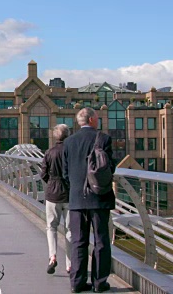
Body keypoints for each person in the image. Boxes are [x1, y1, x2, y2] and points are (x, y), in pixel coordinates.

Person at [63, 108, 115, 293]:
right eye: (97, 119)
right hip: (99, 198)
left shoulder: (68, 142)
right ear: (92, 119)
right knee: (101, 240)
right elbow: (110, 168)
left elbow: (65, 173)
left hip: (77, 198)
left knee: (78, 241)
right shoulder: (104, 139)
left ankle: (77, 282)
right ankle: (99, 283)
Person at [40, 124, 71, 275]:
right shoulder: (71, 151)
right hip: (69, 195)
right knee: (70, 230)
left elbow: (43, 174)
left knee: (51, 227)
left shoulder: (49, 152)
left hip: (52, 193)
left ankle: (52, 257)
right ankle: (70, 264)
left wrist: (52, 183)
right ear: (68, 135)